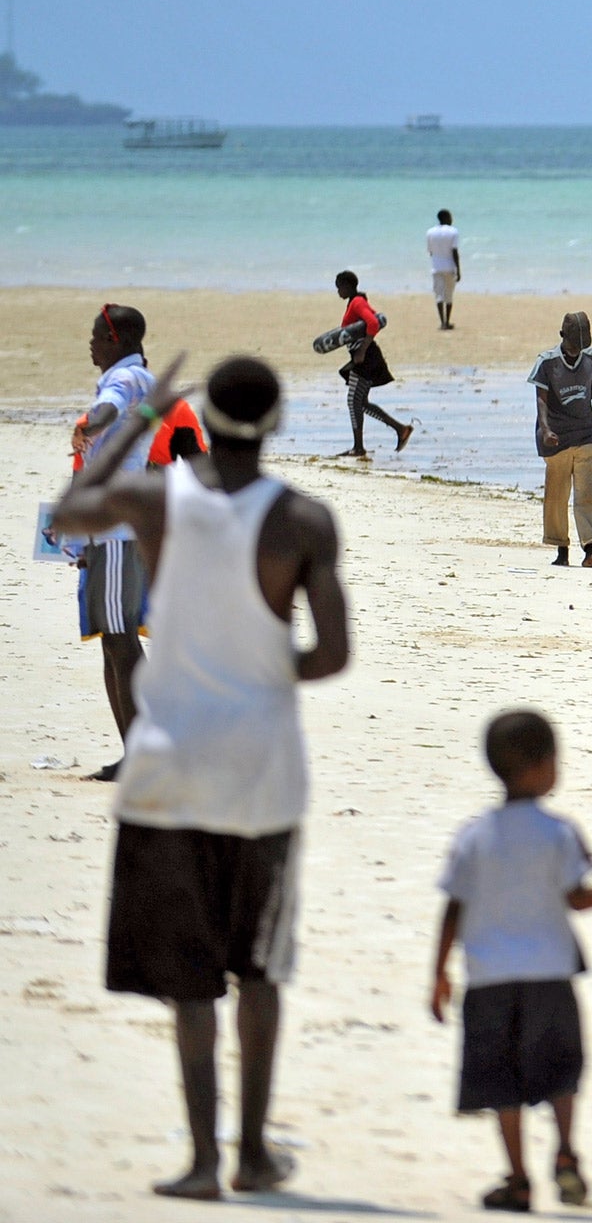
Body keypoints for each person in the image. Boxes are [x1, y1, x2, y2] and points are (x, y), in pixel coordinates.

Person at [50, 356, 351, 1201]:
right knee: (257, 969)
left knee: (190, 983)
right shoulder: (303, 519)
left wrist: (139, 422)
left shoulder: (158, 500)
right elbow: (331, 654)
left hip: (170, 769)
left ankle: (202, 1161)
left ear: (203, 422)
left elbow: (73, 513)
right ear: (278, 423)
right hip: (261, 771)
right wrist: (256, 671)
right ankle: (254, 1151)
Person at [431, 708, 592, 1213]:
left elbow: (453, 907)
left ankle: (517, 1178)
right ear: (543, 768)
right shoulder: (559, 833)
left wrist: (439, 972)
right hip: (551, 974)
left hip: (488, 978)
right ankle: (568, 1155)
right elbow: (578, 899)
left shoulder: (473, 836)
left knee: (501, 1082)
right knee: (560, 1072)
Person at [70, 304, 156, 780]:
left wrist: (90, 422)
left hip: (118, 531)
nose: (91, 344)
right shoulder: (137, 376)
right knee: (113, 642)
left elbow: (110, 408)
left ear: (116, 339)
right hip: (113, 528)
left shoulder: (124, 380)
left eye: (96, 336)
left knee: (121, 643)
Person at [528, 312, 592, 568]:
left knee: (587, 494)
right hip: (556, 440)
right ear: (562, 337)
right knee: (557, 497)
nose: (578, 349)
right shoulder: (547, 362)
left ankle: (590, 550)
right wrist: (546, 430)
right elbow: (541, 400)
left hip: (586, 436)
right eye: (574, 343)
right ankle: (561, 550)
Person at [333, 271, 413, 458]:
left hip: (365, 358)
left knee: (354, 401)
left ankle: (358, 448)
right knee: (361, 403)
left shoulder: (357, 302)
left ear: (347, 285)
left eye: (339, 287)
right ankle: (401, 429)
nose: (337, 291)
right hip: (365, 357)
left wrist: (361, 350)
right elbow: (375, 319)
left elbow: (373, 323)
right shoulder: (356, 301)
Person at [428, 209, 462, 330]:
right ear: (447, 218)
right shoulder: (453, 232)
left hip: (436, 267)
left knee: (439, 295)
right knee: (449, 295)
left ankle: (442, 322)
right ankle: (447, 321)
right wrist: (458, 269)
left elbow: (430, 252)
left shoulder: (430, 232)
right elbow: (454, 252)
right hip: (449, 267)